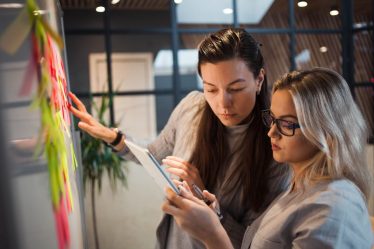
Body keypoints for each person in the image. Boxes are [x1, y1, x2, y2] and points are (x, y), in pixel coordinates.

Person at [68, 28, 290, 249]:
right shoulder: (192, 107)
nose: (223, 104)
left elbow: (256, 243)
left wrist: (206, 203)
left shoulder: (277, 149)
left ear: (259, 79)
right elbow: (154, 154)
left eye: (236, 88)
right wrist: (113, 137)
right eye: (211, 89)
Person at [162, 67, 374, 249]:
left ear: (326, 132)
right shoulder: (301, 187)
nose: (271, 133)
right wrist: (218, 217)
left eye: (287, 124)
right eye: (272, 119)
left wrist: (212, 234)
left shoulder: (333, 209)